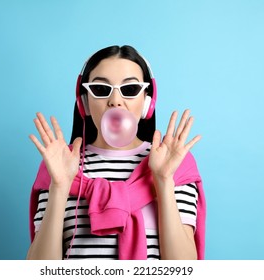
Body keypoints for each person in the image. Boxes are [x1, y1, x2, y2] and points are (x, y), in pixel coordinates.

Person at [26, 45, 206, 260]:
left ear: (147, 101)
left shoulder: (174, 164)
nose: (115, 101)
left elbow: (185, 269)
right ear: (85, 102)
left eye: (130, 90)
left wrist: (164, 181)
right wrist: (60, 187)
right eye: (101, 90)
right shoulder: (61, 165)